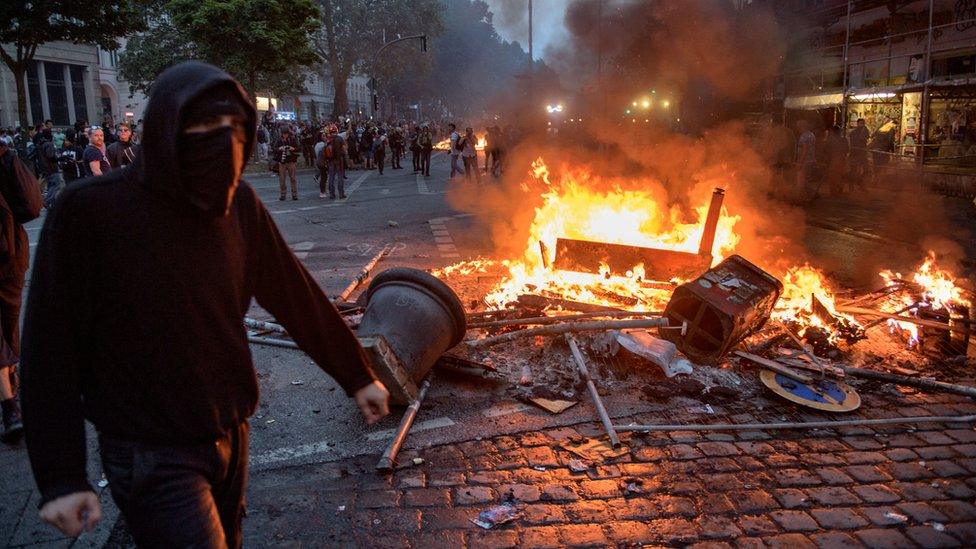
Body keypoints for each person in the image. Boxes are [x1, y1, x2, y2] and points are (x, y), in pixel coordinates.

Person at [20, 61, 389, 547]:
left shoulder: (240, 207)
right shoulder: (91, 212)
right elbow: (49, 347)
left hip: (231, 434)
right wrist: (61, 475)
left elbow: (295, 296)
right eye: (202, 128)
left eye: (234, 128)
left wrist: (357, 374)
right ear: (168, 130)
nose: (222, 142)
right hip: (149, 449)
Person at [0, 138, 42, 442]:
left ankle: (11, 398)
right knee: (4, 331)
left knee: (8, 328)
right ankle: (10, 403)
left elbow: (30, 205)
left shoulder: (6, 159)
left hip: (9, 256)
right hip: (12, 255)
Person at [34, 128, 62, 209]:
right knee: (56, 184)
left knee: (51, 185)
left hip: (44, 167)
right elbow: (50, 156)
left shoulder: (39, 143)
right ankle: (47, 200)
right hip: (51, 167)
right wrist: (59, 159)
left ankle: (52, 202)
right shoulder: (48, 144)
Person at [318, 124, 346, 199]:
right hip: (339, 160)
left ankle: (332, 194)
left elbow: (325, 151)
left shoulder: (328, 140)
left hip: (330, 161)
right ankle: (341, 194)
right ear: (336, 131)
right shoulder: (340, 139)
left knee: (331, 178)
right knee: (340, 177)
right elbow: (344, 149)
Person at [274, 125, 300, 200]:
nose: (285, 135)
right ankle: (283, 194)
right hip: (282, 162)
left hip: (291, 161)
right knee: (282, 179)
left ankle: (294, 194)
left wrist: (293, 148)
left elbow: (298, 148)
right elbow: (274, 149)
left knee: (293, 178)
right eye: (284, 134)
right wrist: (279, 148)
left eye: (286, 133)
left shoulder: (292, 139)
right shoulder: (279, 140)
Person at [823, 125, 849, 197]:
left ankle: (833, 191)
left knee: (832, 176)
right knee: (840, 175)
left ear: (833, 132)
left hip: (833, 160)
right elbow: (847, 150)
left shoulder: (830, 140)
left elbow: (825, 150)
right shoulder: (844, 140)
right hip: (841, 160)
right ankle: (839, 189)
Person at [795, 119, 816, 197]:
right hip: (810, 160)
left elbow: (805, 149)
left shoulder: (804, 136)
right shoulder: (811, 134)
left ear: (801, 126)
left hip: (805, 161)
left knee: (801, 180)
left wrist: (800, 162)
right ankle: (810, 195)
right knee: (806, 180)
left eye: (798, 126)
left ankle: (800, 197)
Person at [848, 118, 870, 192]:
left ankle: (861, 185)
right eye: (860, 123)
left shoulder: (865, 131)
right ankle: (852, 186)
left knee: (866, 170)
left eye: (863, 124)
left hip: (862, 154)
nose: (861, 125)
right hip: (855, 153)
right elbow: (856, 141)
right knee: (853, 171)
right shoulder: (854, 132)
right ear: (857, 124)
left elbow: (867, 137)